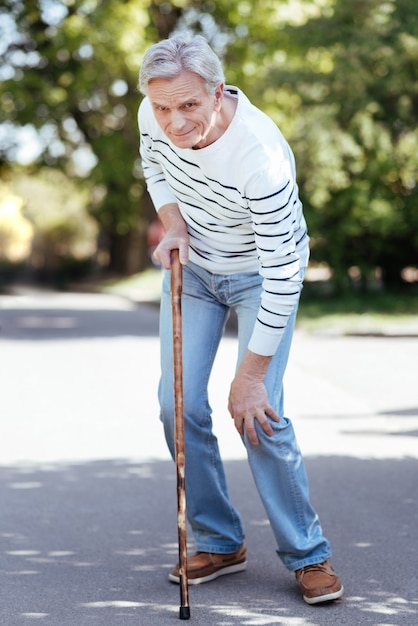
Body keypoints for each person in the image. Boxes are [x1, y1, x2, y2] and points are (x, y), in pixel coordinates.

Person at [138, 34, 344, 605]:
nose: (174, 122)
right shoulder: (153, 110)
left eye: (188, 107)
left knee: (258, 412)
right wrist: (174, 225)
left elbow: (283, 276)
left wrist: (249, 377)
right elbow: (156, 168)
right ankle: (219, 541)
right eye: (162, 108)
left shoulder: (261, 156)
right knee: (176, 405)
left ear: (216, 90)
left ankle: (309, 554)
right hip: (196, 268)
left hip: (262, 276)